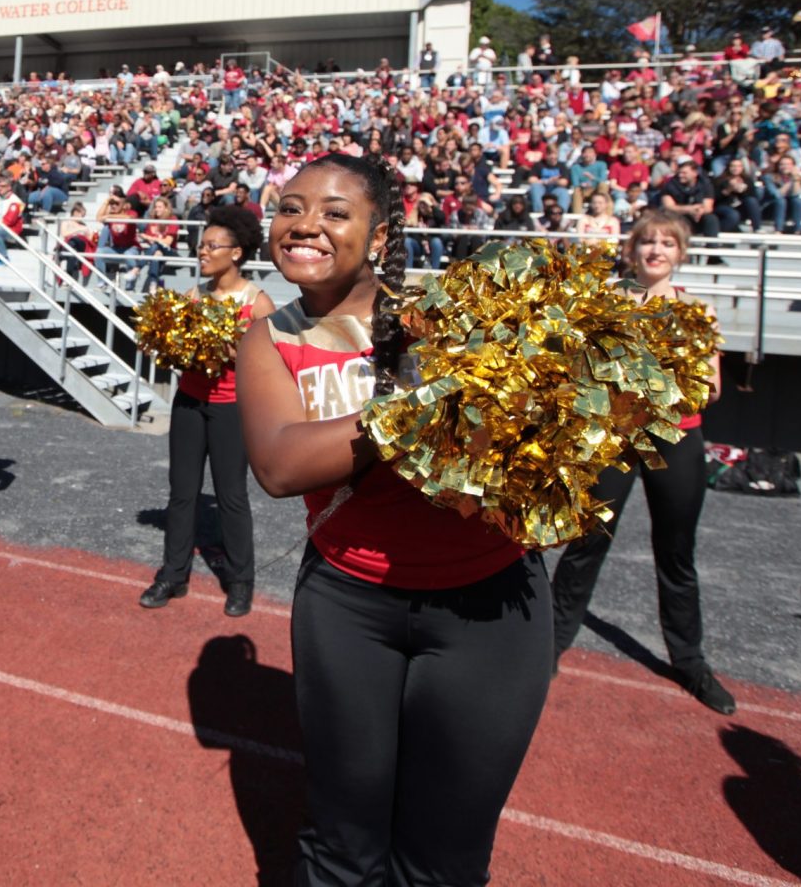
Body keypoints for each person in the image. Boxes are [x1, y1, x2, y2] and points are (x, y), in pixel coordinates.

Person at [236, 152, 551, 886]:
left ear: (379, 236)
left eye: (334, 212)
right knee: (341, 847)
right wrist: (412, 412)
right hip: (348, 605)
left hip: (489, 607)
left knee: (444, 857)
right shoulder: (268, 339)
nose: (305, 224)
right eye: (289, 208)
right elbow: (282, 465)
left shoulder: (445, 320)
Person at [550, 211, 735, 715]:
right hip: (615, 437)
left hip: (676, 439)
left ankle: (690, 661)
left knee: (676, 553)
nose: (656, 249)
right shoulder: (607, 299)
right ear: (633, 250)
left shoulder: (698, 310)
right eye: (648, 241)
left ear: (681, 253)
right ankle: (549, 645)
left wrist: (651, 385)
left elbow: (712, 388)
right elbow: (579, 368)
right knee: (585, 544)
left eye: (667, 243)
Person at [141, 206, 275, 617]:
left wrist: (226, 348)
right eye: (201, 246)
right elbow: (177, 357)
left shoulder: (258, 303)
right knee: (181, 493)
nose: (203, 253)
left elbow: (265, 369)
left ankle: (239, 581)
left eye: (212, 246)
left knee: (231, 494)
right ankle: (173, 574)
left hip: (230, 408)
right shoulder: (193, 296)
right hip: (189, 403)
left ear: (236, 253)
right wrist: (165, 344)